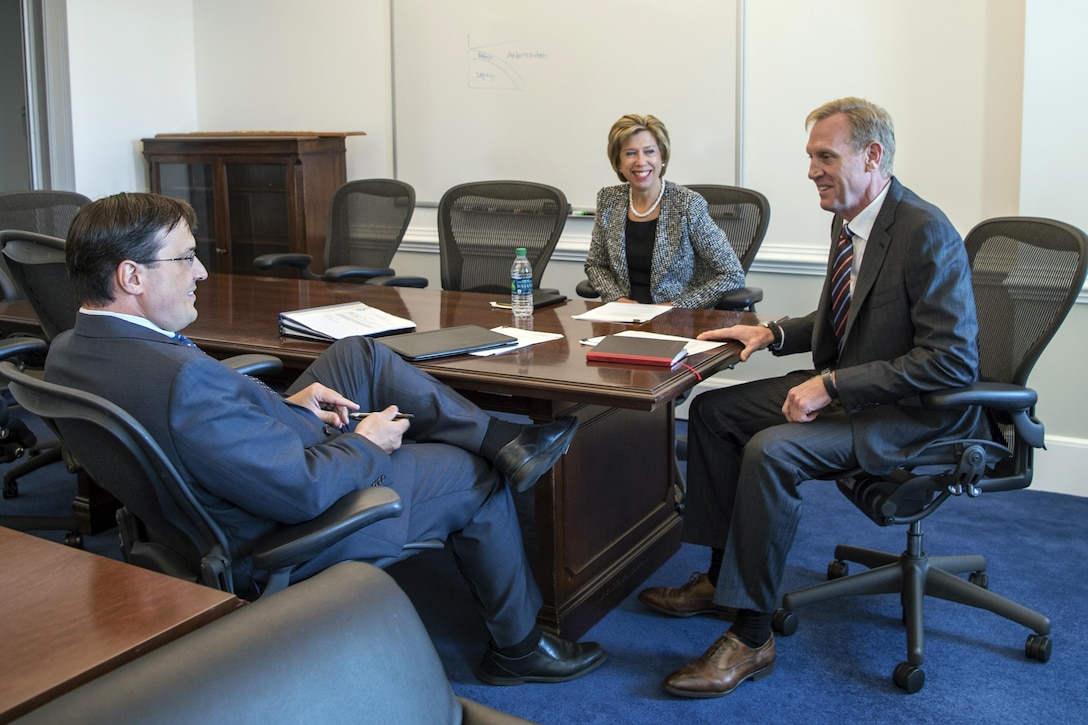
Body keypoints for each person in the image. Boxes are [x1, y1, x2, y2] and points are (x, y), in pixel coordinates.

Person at [47, 191, 605, 686]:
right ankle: (519, 649)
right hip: (276, 525)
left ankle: (503, 437)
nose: (201, 272)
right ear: (131, 276)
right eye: (185, 257)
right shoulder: (181, 379)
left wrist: (290, 404)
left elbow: (206, 424)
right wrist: (367, 443)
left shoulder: (72, 349)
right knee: (474, 475)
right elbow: (299, 492)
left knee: (357, 355)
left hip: (234, 472)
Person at [638, 97, 984, 697]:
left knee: (773, 451)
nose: (812, 171)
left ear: (873, 156)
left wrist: (831, 384)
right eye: (811, 157)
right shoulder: (848, 221)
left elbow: (951, 360)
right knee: (716, 412)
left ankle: (751, 635)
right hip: (856, 394)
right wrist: (770, 332)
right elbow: (841, 322)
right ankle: (723, 583)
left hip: (909, 416)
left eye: (826, 156)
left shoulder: (926, 232)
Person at [583, 113, 745, 308]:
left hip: (678, 320)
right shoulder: (609, 200)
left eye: (649, 151)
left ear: (662, 157)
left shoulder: (687, 204)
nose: (641, 161)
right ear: (618, 162)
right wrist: (618, 300)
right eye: (630, 153)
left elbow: (732, 274)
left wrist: (676, 306)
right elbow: (596, 265)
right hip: (622, 317)